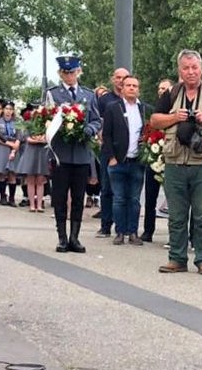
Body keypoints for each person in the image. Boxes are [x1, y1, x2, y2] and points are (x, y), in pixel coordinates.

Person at [149, 49, 202, 274]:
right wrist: (175, 117)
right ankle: (177, 258)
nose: (191, 72)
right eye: (186, 68)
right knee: (176, 215)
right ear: (179, 70)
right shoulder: (171, 93)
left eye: (194, 67)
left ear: (201, 69)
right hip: (175, 162)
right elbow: (155, 120)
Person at [47, 56, 103, 252]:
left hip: (80, 153)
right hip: (61, 153)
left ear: (78, 71)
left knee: (79, 197)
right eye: (65, 72)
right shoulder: (53, 94)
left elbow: (97, 120)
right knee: (60, 196)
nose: (69, 76)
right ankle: (62, 237)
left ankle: (74, 237)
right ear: (60, 73)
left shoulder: (88, 94)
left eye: (72, 72)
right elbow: (45, 118)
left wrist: (89, 129)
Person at [102, 74, 150, 244]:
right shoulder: (113, 108)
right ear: (121, 88)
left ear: (138, 89)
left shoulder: (143, 109)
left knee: (135, 200)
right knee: (119, 198)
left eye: (134, 86)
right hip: (118, 161)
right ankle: (120, 232)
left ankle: (133, 232)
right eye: (128, 85)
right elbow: (106, 135)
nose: (131, 88)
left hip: (137, 161)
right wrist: (112, 157)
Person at [96, 68, 129, 235]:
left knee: (125, 192)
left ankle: (123, 227)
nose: (121, 81)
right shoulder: (105, 100)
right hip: (108, 150)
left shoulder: (132, 100)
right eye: (118, 77)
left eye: (124, 78)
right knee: (107, 189)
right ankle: (105, 225)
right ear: (112, 79)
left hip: (128, 152)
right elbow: (97, 121)